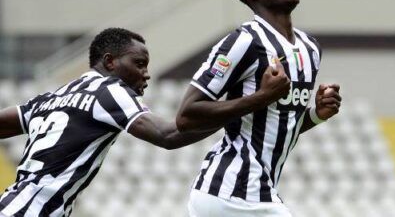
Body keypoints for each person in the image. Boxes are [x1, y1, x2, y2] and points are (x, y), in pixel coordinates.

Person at [0, 27, 291, 217]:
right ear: (110, 62)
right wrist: (253, 102)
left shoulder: (53, 96)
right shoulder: (110, 91)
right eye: (139, 64)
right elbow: (168, 136)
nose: (146, 74)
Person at [176, 0, 342, 217]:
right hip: (232, 194)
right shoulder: (244, 42)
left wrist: (315, 115)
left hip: (254, 192)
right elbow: (186, 116)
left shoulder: (310, 49)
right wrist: (261, 97)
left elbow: (275, 128)